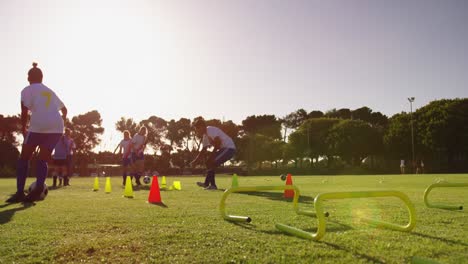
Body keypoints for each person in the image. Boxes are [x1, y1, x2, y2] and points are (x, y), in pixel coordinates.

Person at [6, 62, 67, 203]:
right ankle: (38, 190)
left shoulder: (27, 90)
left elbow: (24, 110)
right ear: (42, 77)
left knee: (24, 158)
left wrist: (23, 129)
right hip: (57, 127)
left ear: (29, 78)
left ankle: (20, 192)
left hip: (38, 126)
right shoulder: (49, 90)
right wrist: (60, 123)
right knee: (42, 159)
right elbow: (64, 110)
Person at [190, 119, 236, 190]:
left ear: (202, 127)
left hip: (229, 148)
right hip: (223, 149)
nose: (197, 131)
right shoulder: (205, 136)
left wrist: (212, 156)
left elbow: (218, 143)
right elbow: (203, 150)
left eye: (197, 128)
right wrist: (195, 161)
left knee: (210, 162)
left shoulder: (210, 130)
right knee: (209, 163)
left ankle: (213, 186)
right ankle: (206, 184)